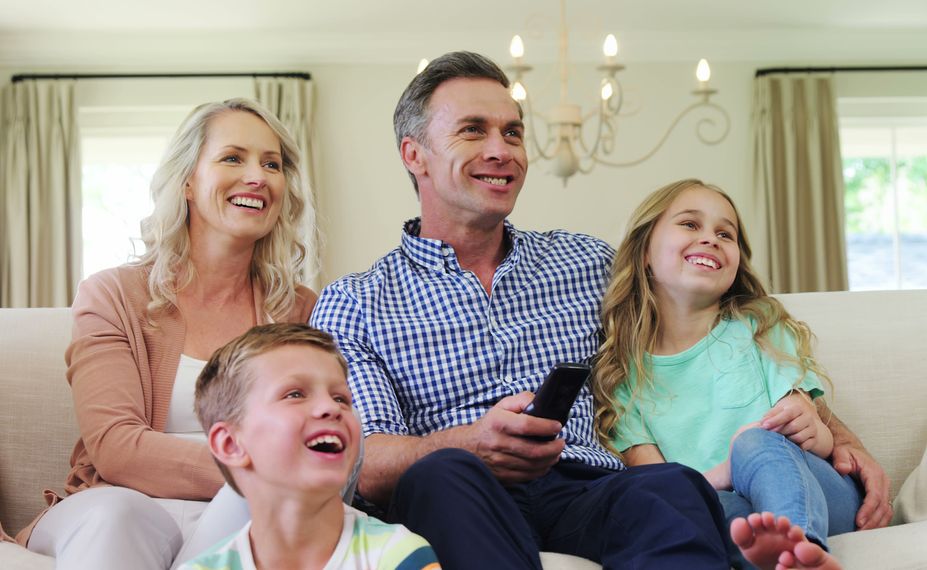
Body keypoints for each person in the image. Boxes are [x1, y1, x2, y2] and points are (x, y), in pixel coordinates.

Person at [310, 51, 731, 568]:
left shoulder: (589, 262)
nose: (501, 150)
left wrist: (825, 421)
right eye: (473, 130)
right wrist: (469, 444)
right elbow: (361, 461)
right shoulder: (354, 302)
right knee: (442, 475)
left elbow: (720, 329)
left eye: (512, 133)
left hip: (585, 485)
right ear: (414, 155)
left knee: (670, 485)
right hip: (459, 491)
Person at [21, 98, 319, 570]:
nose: (258, 177)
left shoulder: (305, 312)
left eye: (272, 164)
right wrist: (255, 470)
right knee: (118, 516)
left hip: (246, 509)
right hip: (122, 502)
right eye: (232, 158)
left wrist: (263, 482)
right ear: (186, 181)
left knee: (266, 513)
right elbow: (116, 446)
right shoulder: (113, 295)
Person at [592, 178, 863, 568]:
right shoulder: (620, 375)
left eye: (725, 233)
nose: (710, 239)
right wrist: (725, 473)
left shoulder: (762, 328)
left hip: (817, 493)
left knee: (755, 444)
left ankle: (801, 551)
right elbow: (659, 489)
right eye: (690, 224)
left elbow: (814, 445)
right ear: (645, 251)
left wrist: (815, 432)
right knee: (712, 512)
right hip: (724, 505)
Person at [179, 323, 439, 570]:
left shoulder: (399, 555)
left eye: (341, 398)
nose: (331, 408)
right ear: (230, 444)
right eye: (295, 394)